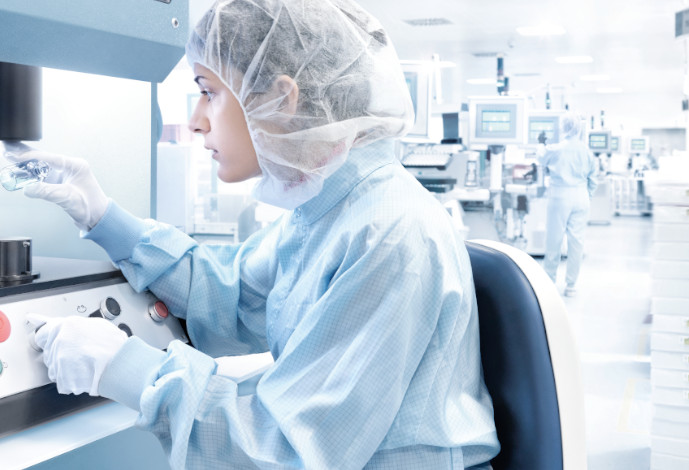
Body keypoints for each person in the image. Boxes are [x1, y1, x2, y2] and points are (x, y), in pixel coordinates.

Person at [13, 1, 499, 468]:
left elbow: (285, 449)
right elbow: (231, 295)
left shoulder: (387, 234)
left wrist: (123, 366)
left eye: (208, 92)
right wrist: (102, 217)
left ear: (282, 99)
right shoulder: (328, 210)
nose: (196, 121)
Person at [537, 114, 598, 297]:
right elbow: (593, 179)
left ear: (563, 128)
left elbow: (541, 159)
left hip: (560, 195)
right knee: (577, 242)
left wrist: (541, 143)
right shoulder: (586, 151)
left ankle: (549, 280)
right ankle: (571, 285)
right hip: (581, 196)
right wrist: (587, 196)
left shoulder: (556, 148)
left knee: (554, 240)